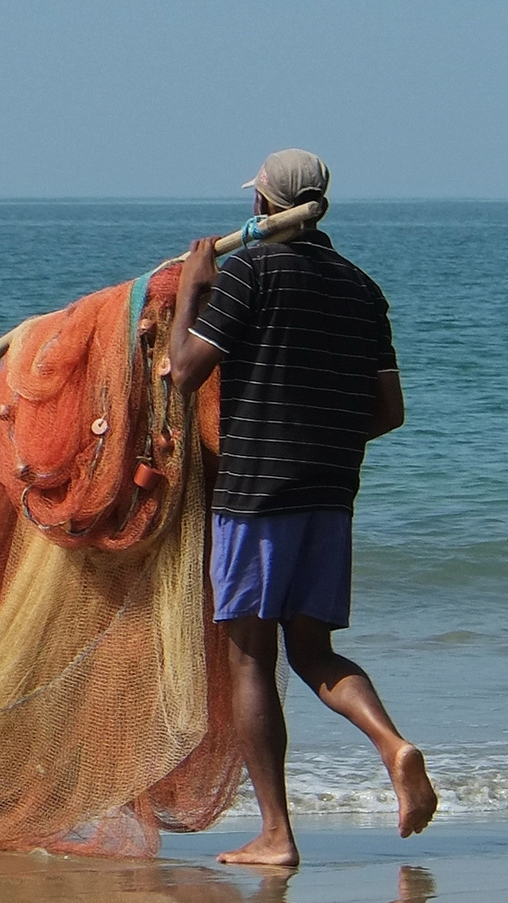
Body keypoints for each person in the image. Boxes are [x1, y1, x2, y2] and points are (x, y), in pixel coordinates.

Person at [166, 150, 438, 866]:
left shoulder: (248, 273)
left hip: (256, 494)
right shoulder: (361, 288)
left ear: (264, 209)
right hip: (330, 492)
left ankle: (276, 835)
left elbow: (186, 374)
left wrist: (194, 291)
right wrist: (321, 435)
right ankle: (393, 743)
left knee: (250, 658)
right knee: (312, 650)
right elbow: (389, 412)